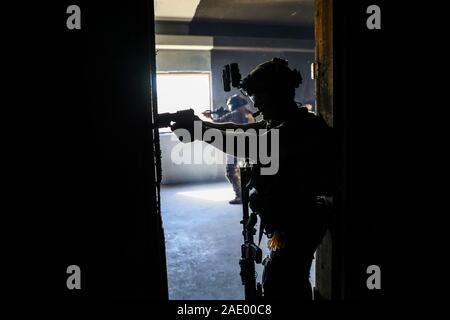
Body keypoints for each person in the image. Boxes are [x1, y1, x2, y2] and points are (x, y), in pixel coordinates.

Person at [171, 58, 336, 300]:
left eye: (261, 101)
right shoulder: (280, 121)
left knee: (281, 283)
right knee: (281, 280)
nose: (258, 109)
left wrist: (200, 131)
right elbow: (244, 131)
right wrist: (201, 125)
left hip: (300, 222)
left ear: (279, 95)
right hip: (287, 222)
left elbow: (252, 143)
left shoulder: (301, 128)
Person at [202, 95, 254, 204]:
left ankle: (240, 196)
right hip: (249, 146)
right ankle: (246, 193)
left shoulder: (234, 114)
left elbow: (216, 124)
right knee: (244, 171)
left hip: (234, 147)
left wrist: (209, 117)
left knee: (230, 172)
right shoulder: (249, 113)